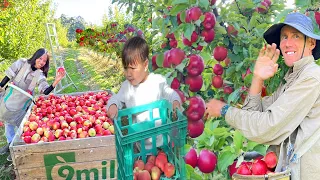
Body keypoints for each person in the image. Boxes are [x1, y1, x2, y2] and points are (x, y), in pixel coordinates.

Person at [205, 12, 320, 179]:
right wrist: (257, 77)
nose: (287, 43)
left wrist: (224, 110)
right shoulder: (293, 79)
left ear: (310, 43)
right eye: (284, 37)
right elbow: (255, 114)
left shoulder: (311, 78)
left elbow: (267, 127)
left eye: (296, 36)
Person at [106, 36, 182, 150]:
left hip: (162, 142)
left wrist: (176, 103)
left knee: (163, 164)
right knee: (141, 166)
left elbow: (171, 94)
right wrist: (112, 105)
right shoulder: (126, 87)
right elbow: (115, 98)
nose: (128, 74)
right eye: (126, 68)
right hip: (140, 144)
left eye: (133, 68)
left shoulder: (158, 82)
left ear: (145, 65)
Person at [0, 48, 66, 161]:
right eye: (40, 58)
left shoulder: (40, 75)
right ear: (35, 56)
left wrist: (56, 81)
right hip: (10, 98)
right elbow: (8, 76)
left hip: (22, 104)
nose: (41, 62)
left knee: (20, 126)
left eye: (44, 61)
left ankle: (16, 148)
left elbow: (44, 91)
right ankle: (10, 143)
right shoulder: (21, 63)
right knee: (7, 121)